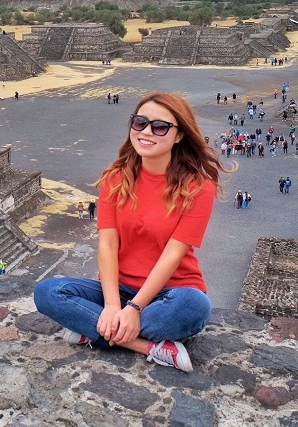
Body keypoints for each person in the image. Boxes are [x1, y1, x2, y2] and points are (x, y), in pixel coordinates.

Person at [34, 93, 230, 373]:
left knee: (195, 306)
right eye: (140, 123)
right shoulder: (116, 178)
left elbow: (173, 255)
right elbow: (107, 245)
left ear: (179, 136)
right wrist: (114, 305)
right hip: (117, 289)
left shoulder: (198, 187)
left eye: (159, 126)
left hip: (169, 293)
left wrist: (135, 309)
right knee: (47, 292)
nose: (146, 131)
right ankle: (146, 346)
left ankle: (94, 330)